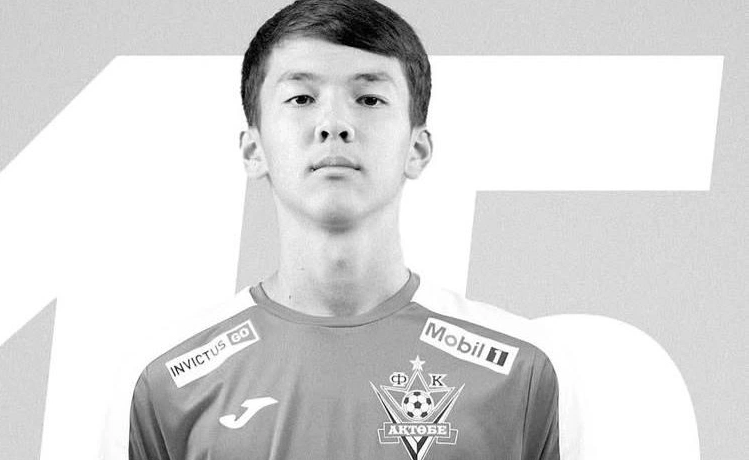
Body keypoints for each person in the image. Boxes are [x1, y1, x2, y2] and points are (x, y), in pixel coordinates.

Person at [129, 0, 572, 459]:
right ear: (253, 150)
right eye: (302, 98)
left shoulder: (518, 376)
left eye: (369, 99)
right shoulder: (170, 386)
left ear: (417, 149)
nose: (334, 125)